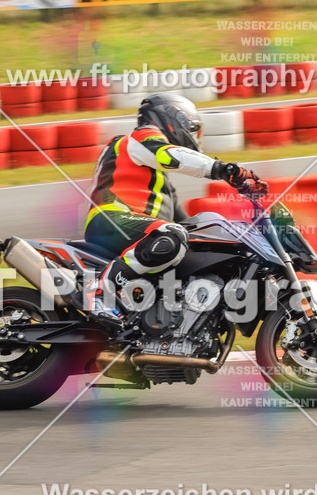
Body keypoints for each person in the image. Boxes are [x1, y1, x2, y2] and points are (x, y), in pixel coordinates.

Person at [83, 92, 256, 324]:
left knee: (186, 238)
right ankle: (99, 293)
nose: (194, 135)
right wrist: (221, 169)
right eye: (191, 127)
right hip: (112, 218)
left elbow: (190, 224)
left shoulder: (158, 182)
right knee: (172, 235)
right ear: (173, 119)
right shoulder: (139, 137)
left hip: (134, 229)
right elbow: (168, 155)